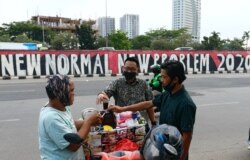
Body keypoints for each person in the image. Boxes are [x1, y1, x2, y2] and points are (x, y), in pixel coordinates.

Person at [108, 60, 196, 160]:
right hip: (163, 150)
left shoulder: (186, 104)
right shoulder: (168, 94)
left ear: (175, 79)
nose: (161, 80)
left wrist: (182, 157)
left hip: (174, 154)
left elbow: (187, 136)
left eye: (164, 77)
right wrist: (122, 109)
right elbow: (148, 104)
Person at [38, 74, 102, 160]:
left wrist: (90, 122)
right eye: (71, 91)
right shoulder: (51, 117)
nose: (73, 94)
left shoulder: (62, 106)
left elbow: (69, 123)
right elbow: (73, 146)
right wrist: (88, 122)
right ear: (60, 94)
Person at [96, 57, 156, 129]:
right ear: (123, 68)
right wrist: (101, 95)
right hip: (122, 126)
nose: (129, 71)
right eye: (127, 68)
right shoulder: (117, 83)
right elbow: (106, 92)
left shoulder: (144, 84)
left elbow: (149, 105)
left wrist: (153, 122)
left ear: (137, 70)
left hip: (141, 125)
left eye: (132, 69)